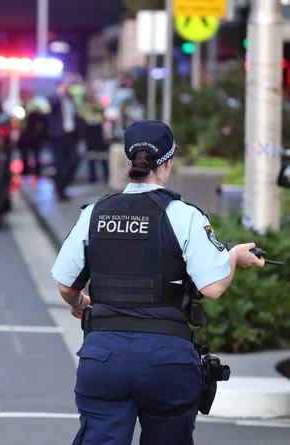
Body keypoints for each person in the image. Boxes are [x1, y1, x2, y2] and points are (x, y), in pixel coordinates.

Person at [51, 120, 265, 445]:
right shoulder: (185, 216)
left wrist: (81, 304)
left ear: (127, 163)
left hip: (103, 357)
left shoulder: (94, 213)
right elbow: (213, 287)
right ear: (167, 164)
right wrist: (233, 256)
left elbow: (66, 286)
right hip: (167, 360)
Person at [48, 80, 81, 201]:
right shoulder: (54, 99)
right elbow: (52, 106)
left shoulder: (71, 100)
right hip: (58, 137)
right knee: (59, 165)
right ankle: (59, 190)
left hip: (71, 136)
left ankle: (63, 186)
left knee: (74, 161)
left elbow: (76, 116)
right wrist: (60, 94)